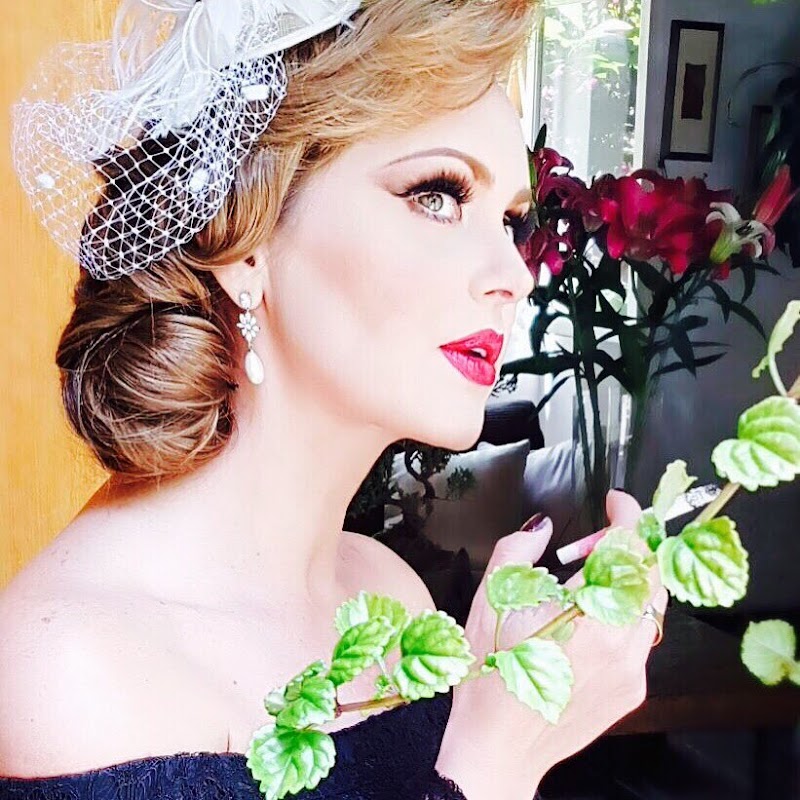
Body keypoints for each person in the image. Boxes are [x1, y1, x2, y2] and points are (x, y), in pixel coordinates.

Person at [0, 0, 668, 798]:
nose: (512, 275)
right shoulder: (66, 671)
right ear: (244, 242)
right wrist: (499, 761)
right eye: (438, 194)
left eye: (510, 220)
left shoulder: (388, 596)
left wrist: (513, 701)